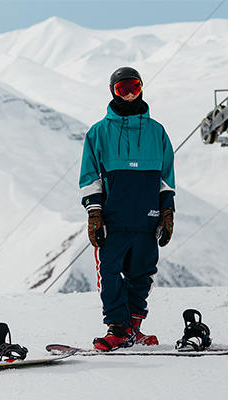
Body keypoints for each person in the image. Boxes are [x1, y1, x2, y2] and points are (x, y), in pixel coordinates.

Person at [79, 67, 175, 351]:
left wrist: (167, 211)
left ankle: (133, 326)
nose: (130, 93)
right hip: (113, 217)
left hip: (147, 216)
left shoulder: (157, 132)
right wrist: (95, 212)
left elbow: (166, 177)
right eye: (123, 89)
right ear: (113, 92)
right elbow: (90, 176)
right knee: (109, 272)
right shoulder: (99, 132)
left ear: (142, 88)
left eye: (135, 86)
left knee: (142, 273)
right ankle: (118, 328)